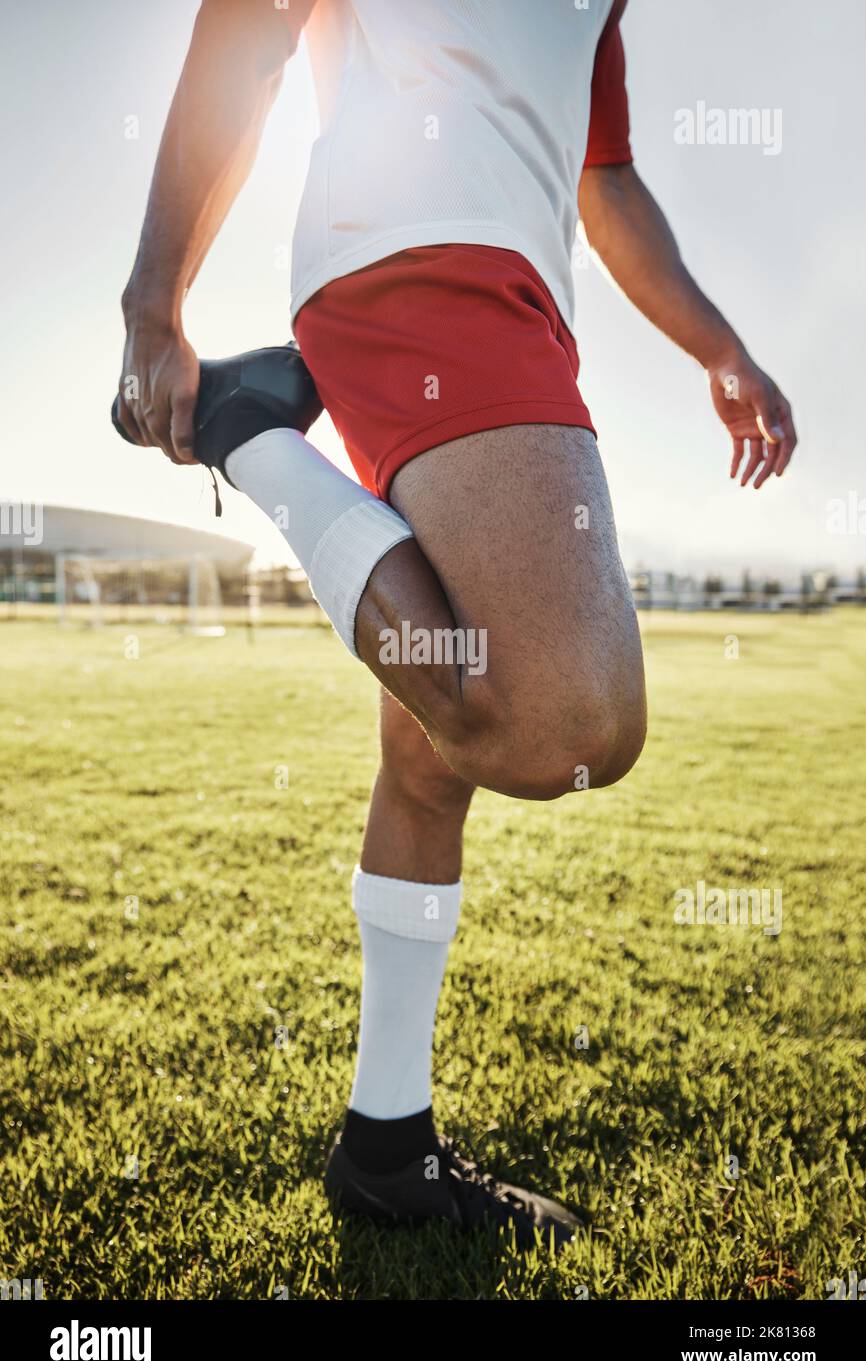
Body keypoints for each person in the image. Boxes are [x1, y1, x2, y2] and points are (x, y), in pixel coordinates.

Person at [117, 0, 797, 1247]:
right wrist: (155, 299)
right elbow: (250, 26)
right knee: (562, 720)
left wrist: (718, 346)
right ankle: (249, 431)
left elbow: (605, 178)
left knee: (430, 758)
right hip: (420, 255)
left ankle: (385, 1146)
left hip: (516, 288)